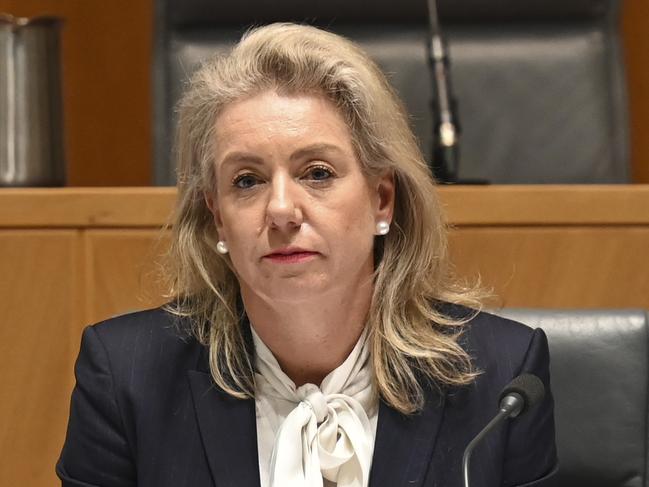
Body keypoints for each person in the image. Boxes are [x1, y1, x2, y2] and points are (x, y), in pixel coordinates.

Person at [57, 23, 557, 487]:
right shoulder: (126, 379)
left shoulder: (501, 381)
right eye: (246, 181)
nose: (280, 210)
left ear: (382, 199)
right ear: (216, 216)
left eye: (317, 172)